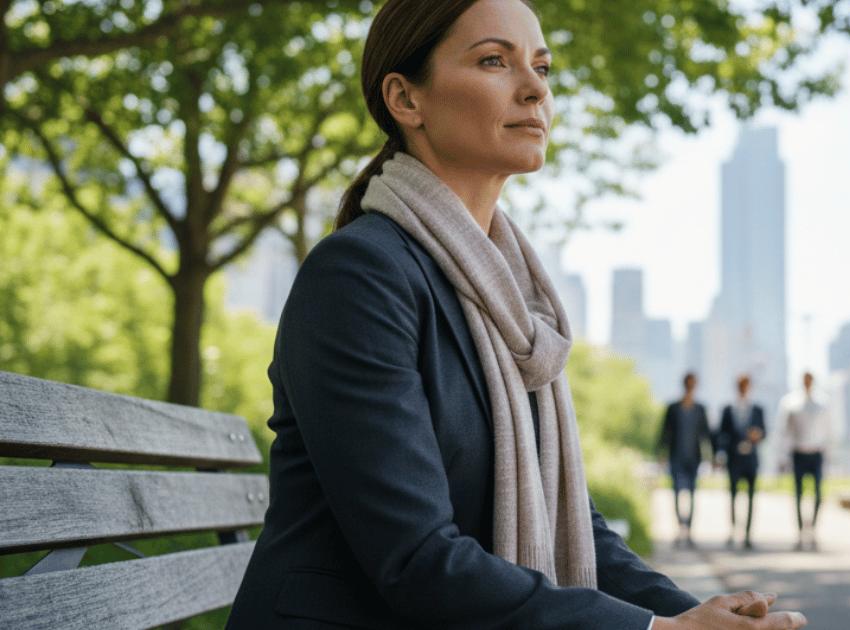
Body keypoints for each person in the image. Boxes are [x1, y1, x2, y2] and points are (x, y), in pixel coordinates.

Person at [224, 1, 806, 629]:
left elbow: (573, 525)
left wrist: (694, 613)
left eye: (544, 67)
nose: (535, 90)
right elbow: (416, 559)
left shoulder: (512, 301)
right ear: (405, 99)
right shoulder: (359, 277)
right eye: (495, 61)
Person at [776, 372, 832, 551]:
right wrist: (782, 457)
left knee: (817, 495)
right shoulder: (790, 403)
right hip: (798, 454)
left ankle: (813, 530)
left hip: (816, 454)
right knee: (799, 496)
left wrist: (829, 457)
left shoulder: (822, 404)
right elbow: (784, 432)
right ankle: (800, 532)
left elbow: (829, 432)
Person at [658, 372, 711, 548]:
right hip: (676, 457)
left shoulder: (700, 409)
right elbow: (664, 432)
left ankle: (689, 532)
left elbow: (706, 435)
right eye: (688, 383)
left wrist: (712, 457)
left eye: (693, 383)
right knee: (677, 494)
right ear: (684, 384)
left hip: (694, 459)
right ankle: (679, 530)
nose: (690, 386)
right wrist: (661, 454)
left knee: (693, 495)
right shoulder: (673, 408)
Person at [716, 374, 766, 550]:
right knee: (732, 496)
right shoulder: (728, 409)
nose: (744, 388)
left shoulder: (757, 409)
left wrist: (757, 435)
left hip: (751, 460)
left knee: (751, 497)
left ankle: (748, 534)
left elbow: (764, 432)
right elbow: (721, 434)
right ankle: (732, 530)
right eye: (741, 385)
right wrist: (720, 455)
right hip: (734, 459)